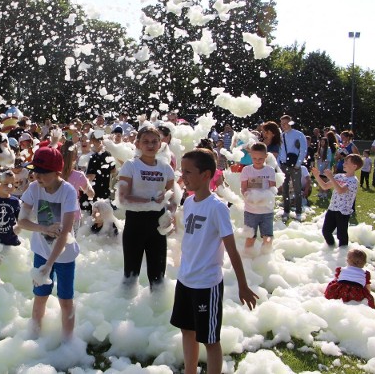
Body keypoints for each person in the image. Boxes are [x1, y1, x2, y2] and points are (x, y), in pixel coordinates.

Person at [171, 149, 258, 374]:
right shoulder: (189, 203)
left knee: (209, 340)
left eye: (188, 172)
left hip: (206, 284)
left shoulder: (217, 207)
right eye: (182, 171)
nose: (183, 176)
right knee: (187, 331)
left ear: (206, 174)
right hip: (185, 280)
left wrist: (243, 285)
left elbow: (231, 250)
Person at [17, 146, 79, 341]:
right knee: (40, 297)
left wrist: (50, 264)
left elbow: (65, 232)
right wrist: (44, 229)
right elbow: (22, 221)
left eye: (43, 173)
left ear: (57, 172)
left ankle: (68, 343)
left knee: (65, 300)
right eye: (36, 171)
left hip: (65, 256)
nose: (37, 176)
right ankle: (34, 339)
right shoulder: (33, 188)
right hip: (41, 253)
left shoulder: (68, 191)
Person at [118, 127, 175, 290]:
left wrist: (171, 213)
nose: (150, 145)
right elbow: (123, 198)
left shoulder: (165, 167)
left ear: (160, 144)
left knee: (158, 276)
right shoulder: (131, 165)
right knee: (130, 273)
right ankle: (123, 310)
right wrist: (150, 200)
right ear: (138, 144)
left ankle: (156, 311)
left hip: (157, 224)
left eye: (154, 142)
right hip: (135, 222)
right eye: (146, 142)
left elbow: (172, 198)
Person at [311, 154, 363, 247]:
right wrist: (317, 176)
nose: (344, 163)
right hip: (332, 208)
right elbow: (325, 186)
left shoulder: (353, 181)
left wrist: (331, 177)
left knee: (341, 235)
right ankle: (331, 249)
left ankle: (343, 254)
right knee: (326, 231)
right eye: (344, 161)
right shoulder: (339, 176)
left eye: (347, 162)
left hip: (343, 212)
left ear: (354, 166)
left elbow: (340, 190)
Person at [241, 143, 277, 256]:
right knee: (250, 237)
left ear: (266, 156)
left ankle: (264, 261)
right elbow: (243, 188)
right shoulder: (246, 170)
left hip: (267, 211)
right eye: (254, 158)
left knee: (268, 238)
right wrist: (248, 197)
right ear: (250, 155)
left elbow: (272, 188)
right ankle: (248, 259)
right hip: (251, 211)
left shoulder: (270, 170)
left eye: (260, 158)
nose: (257, 160)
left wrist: (266, 199)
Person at [278, 115, 307, 222]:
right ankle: (286, 210)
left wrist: (298, 164)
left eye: (285, 123)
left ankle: (298, 211)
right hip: (284, 165)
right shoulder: (281, 135)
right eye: (281, 124)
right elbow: (280, 151)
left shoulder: (298, 134)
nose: (283, 126)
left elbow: (303, 150)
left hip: (295, 165)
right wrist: (278, 164)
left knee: (297, 188)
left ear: (290, 123)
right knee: (285, 189)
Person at [85, 131, 116, 209]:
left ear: (92, 141)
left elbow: (90, 177)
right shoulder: (108, 154)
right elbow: (113, 171)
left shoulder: (94, 157)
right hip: (105, 192)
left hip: (95, 193)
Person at [0, 169, 22, 246]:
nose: (10, 186)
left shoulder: (15, 201)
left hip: (11, 239)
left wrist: (17, 229)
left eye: (12, 183)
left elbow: (20, 220)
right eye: (6, 184)